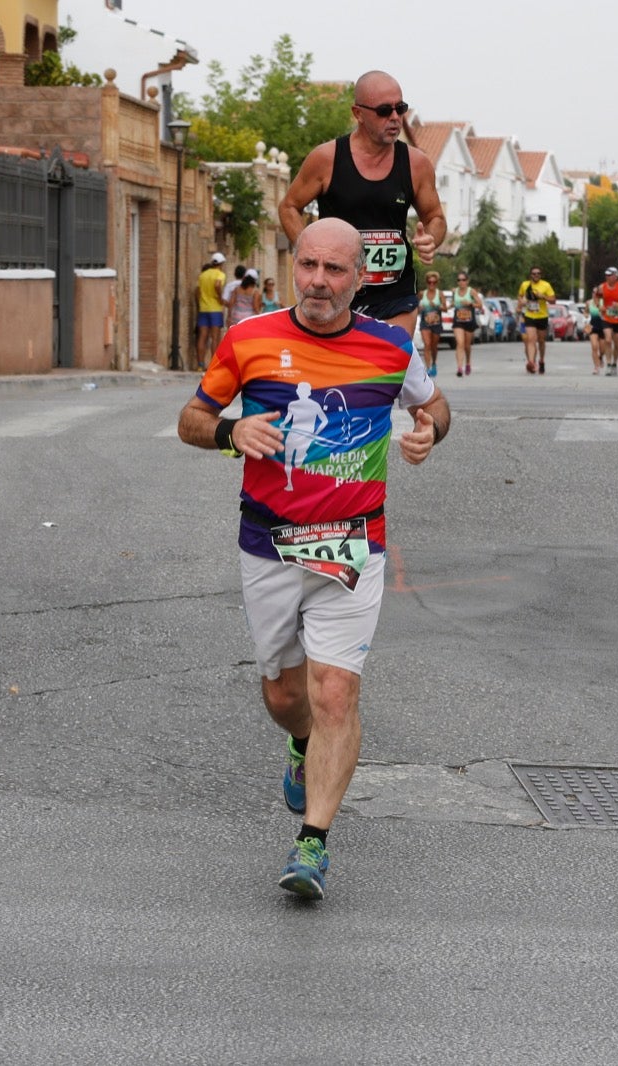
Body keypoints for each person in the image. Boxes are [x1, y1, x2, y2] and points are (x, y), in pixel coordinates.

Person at [177, 218, 451, 901]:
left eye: (335, 270)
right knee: (284, 695)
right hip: (269, 542)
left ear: (360, 279)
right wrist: (229, 431)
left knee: (336, 693)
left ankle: (313, 842)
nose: (319, 282)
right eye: (308, 266)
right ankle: (300, 744)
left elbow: (437, 406)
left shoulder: (391, 347)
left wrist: (428, 433)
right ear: (292, 267)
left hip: (354, 544)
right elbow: (190, 418)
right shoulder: (249, 339)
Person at [279, 70, 447, 340]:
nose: (395, 118)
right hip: (338, 294)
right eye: (384, 111)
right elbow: (288, 207)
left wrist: (431, 238)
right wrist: (308, 251)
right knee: (341, 376)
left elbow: (435, 216)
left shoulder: (416, 164)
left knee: (391, 371)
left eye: (400, 108)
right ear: (358, 113)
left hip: (395, 293)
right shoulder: (326, 159)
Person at [595, 266, 618, 377]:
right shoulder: (602, 287)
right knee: (608, 339)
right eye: (606, 275)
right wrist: (599, 305)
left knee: (617, 343)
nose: (607, 277)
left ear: (616, 276)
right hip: (607, 317)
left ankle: (615, 364)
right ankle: (609, 364)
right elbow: (596, 297)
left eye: (610, 275)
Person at [517, 266, 554, 374]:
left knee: (541, 341)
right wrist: (522, 301)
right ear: (530, 275)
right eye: (534, 273)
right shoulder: (525, 285)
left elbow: (553, 300)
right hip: (529, 315)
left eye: (538, 273)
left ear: (541, 275)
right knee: (531, 339)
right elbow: (519, 296)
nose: (536, 275)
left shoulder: (546, 285)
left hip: (542, 316)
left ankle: (541, 361)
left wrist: (543, 296)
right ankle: (532, 362)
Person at [196, 253, 227, 370]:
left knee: (202, 337)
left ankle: (200, 364)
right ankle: (214, 365)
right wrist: (219, 298)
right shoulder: (220, 274)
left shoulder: (202, 275)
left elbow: (198, 291)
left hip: (203, 308)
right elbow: (218, 285)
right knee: (215, 337)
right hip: (215, 309)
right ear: (221, 264)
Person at [451, 270, 482, 377]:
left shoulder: (471, 291)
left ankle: (468, 362)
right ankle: (459, 367)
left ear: (467, 281)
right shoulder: (455, 292)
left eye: (463, 280)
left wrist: (471, 303)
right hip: (458, 321)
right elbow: (452, 303)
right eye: (459, 280)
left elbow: (480, 305)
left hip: (469, 321)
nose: (461, 282)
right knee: (460, 343)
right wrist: (451, 304)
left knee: (467, 346)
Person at [417, 271, 445, 375]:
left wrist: (437, 306)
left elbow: (445, 308)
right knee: (427, 344)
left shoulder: (440, 294)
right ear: (426, 282)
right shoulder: (421, 294)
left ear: (437, 283)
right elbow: (416, 308)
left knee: (434, 346)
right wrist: (419, 308)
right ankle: (428, 367)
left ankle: (434, 363)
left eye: (434, 282)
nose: (431, 284)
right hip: (425, 323)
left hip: (436, 323)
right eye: (429, 282)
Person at [585, 286, 607, 374]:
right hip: (593, 326)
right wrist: (586, 315)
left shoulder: (603, 302)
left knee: (602, 349)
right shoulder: (588, 302)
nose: (595, 294)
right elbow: (586, 311)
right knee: (594, 347)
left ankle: (601, 357)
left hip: (603, 326)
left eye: (597, 292)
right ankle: (596, 367)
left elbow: (606, 311)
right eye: (593, 292)